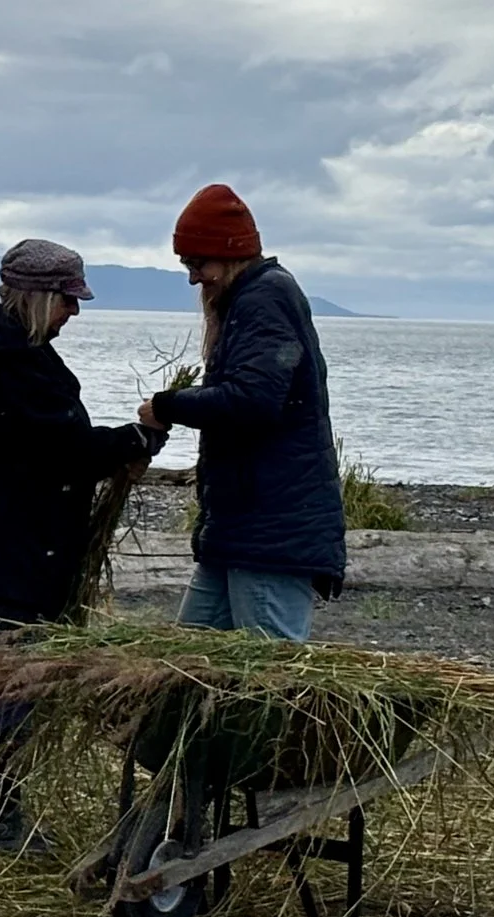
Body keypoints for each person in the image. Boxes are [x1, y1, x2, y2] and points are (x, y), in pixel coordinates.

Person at [0, 238, 169, 852]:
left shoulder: (9, 351)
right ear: (40, 297)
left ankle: (0, 814)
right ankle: (0, 819)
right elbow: (62, 450)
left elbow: (53, 446)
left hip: (5, 546)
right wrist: (135, 440)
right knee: (15, 682)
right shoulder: (10, 362)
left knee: (13, 678)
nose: (74, 312)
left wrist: (128, 444)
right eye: (68, 299)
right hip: (13, 552)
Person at [140, 183, 344, 641]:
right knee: (189, 661)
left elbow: (254, 399)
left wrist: (169, 405)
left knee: (268, 668)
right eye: (187, 265)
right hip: (239, 527)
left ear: (229, 254)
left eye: (198, 264)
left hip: (270, 532)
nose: (194, 278)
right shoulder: (250, 299)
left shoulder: (264, 298)